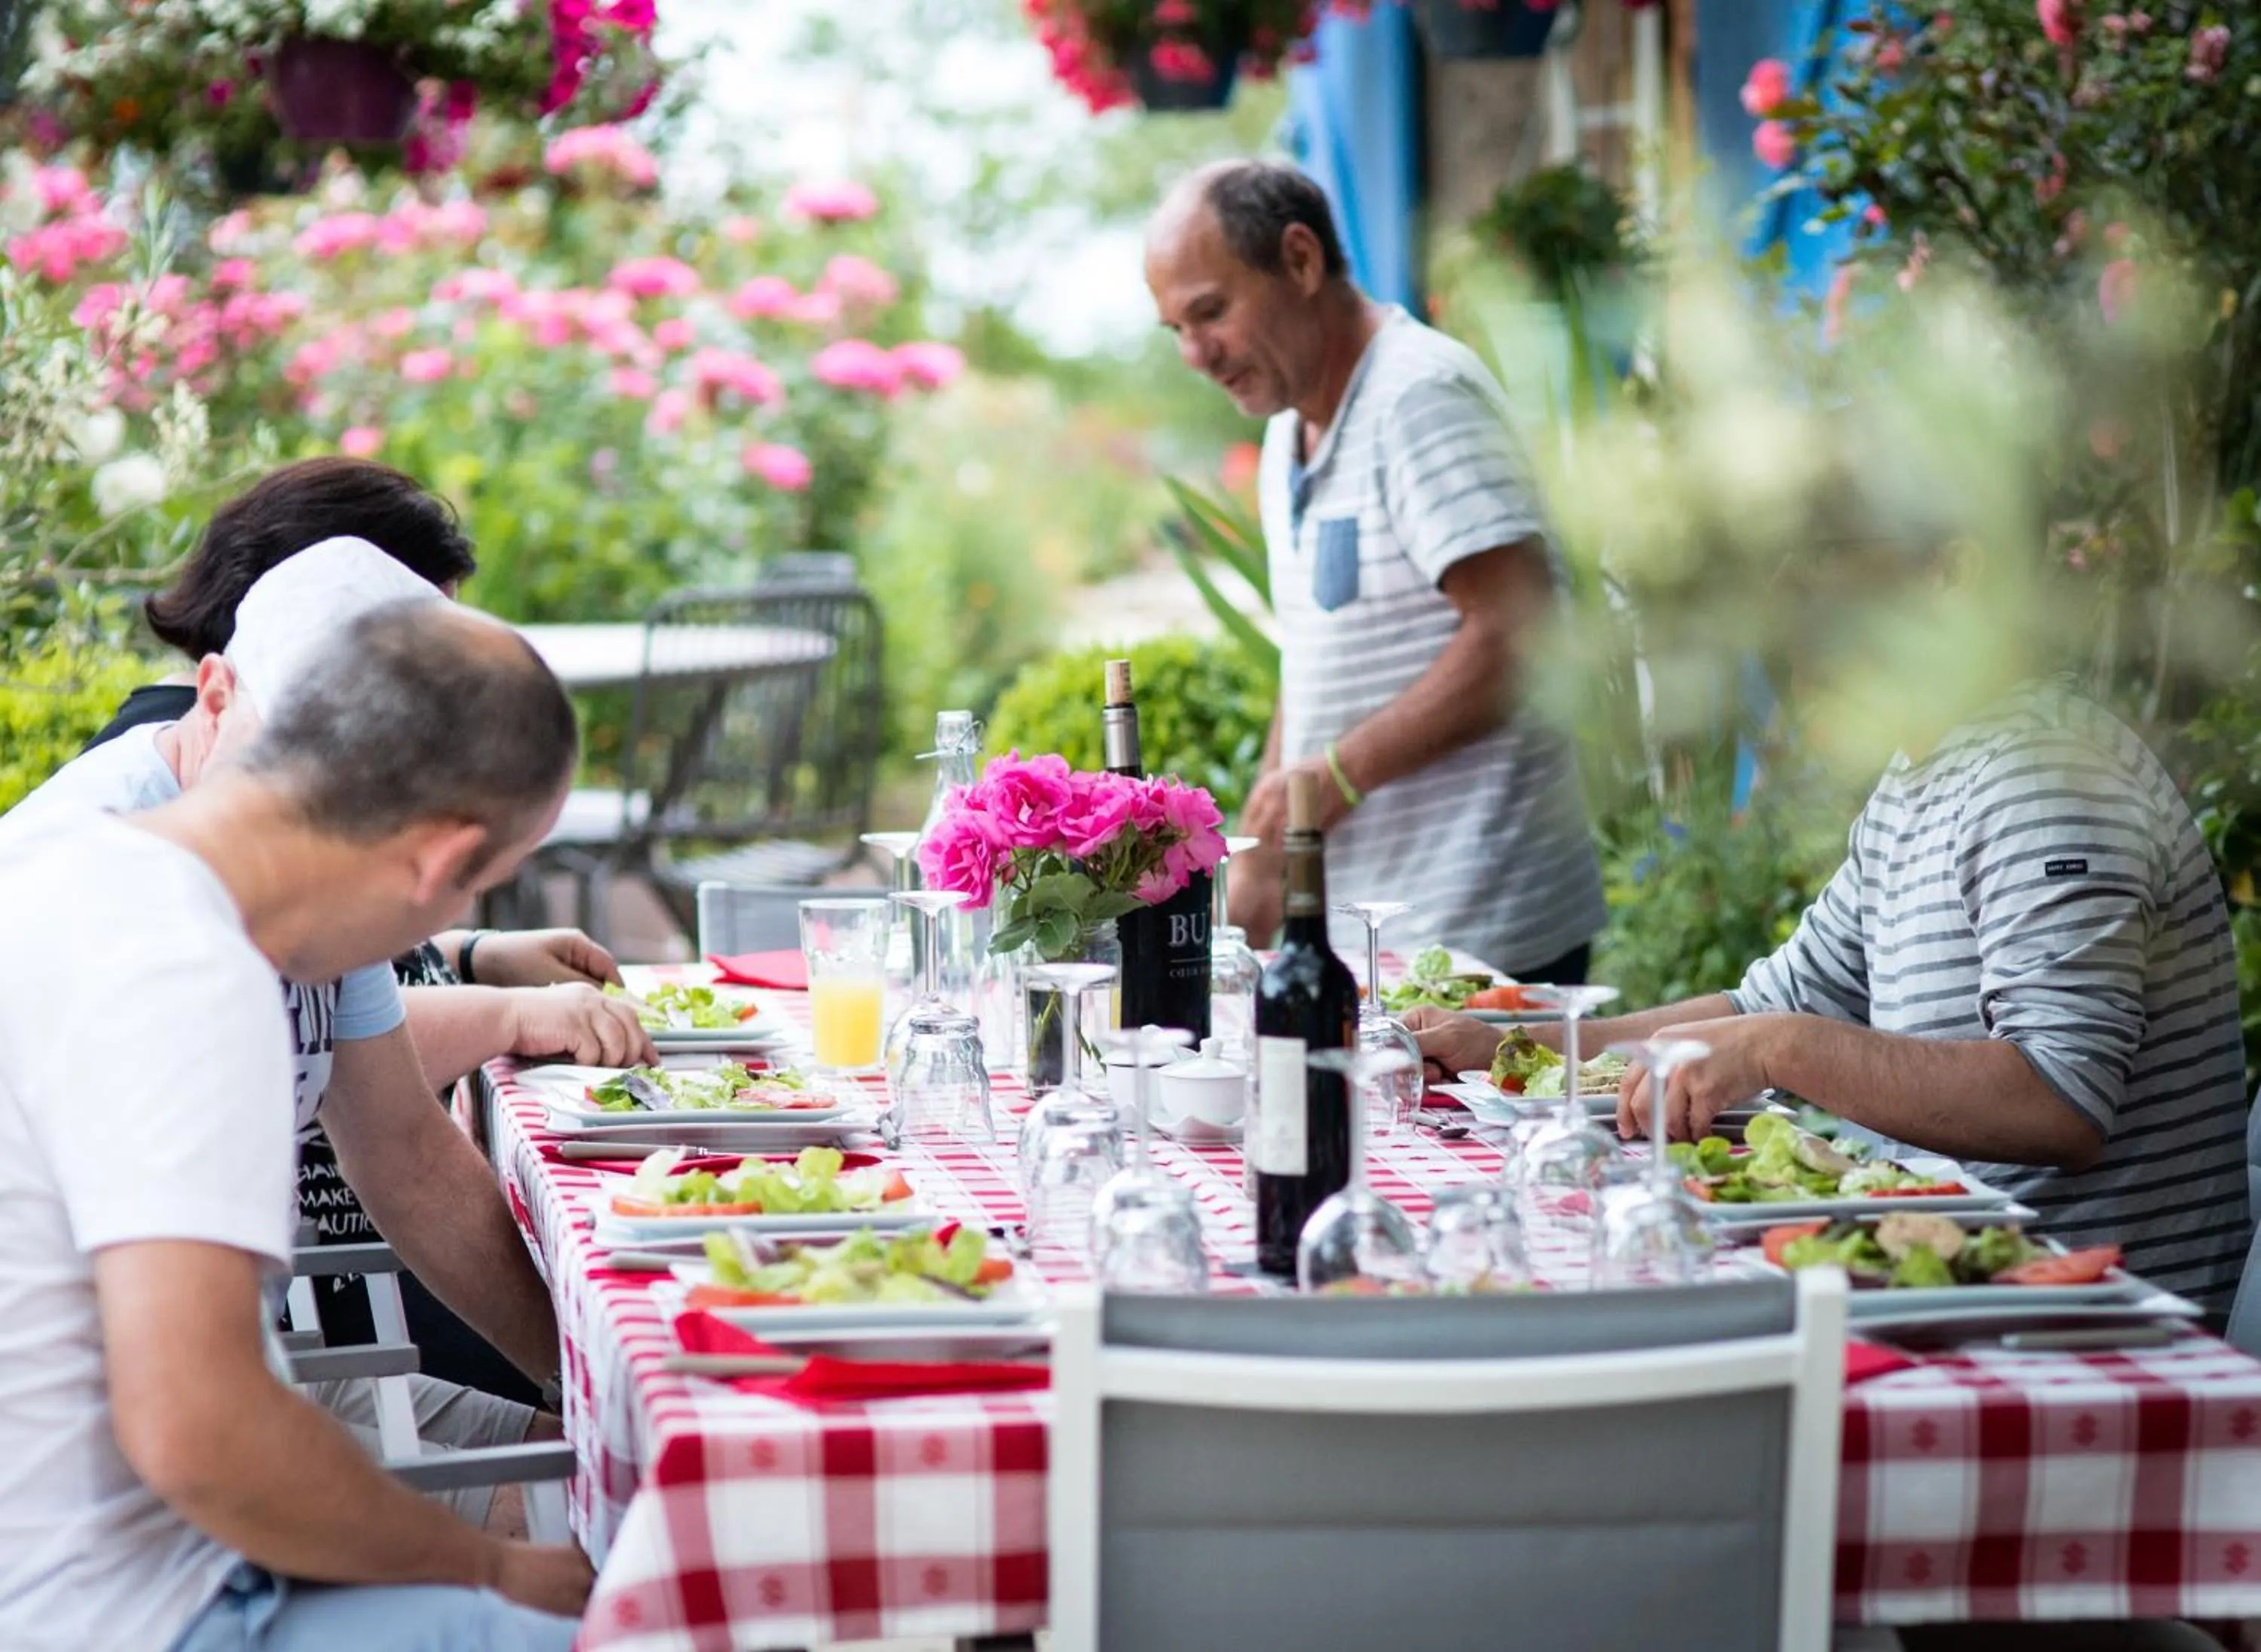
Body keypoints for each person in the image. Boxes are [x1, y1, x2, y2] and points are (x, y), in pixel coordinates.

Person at [0, 540, 643, 1510]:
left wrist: (579, 1386)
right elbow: (187, 1433)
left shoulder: (281, 884)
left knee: (611, 1483)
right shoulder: (166, 945)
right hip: (106, 1502)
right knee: (595, 1537)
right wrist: (488, 1558)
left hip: (245, 1387)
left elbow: (403, 1148)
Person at [1413, 677, 2253, 1312]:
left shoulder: (2047, 781)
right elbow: (1773, 1000)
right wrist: (1522, 1048)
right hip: (1940, 1280)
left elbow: (2060, 1104)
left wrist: (1783, 1048)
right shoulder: (1924, 773)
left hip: (2088, 1318)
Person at [1145, 158, 1606, 980]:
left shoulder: (1418, 397)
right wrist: (1265, 850)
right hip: (1364, 940)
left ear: (1300, 259)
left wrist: (1333, 780)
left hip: (1475, 940)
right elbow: (1313, 661)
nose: (1193, 354)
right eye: (1174, 329)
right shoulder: (1290, 429)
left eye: (1210, 312)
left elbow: (1519, 632)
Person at [84, 456, 619, 1008]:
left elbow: (346, 985)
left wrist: (470, 954)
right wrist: (511, 1015)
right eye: (418, 640)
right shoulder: (194, 780)